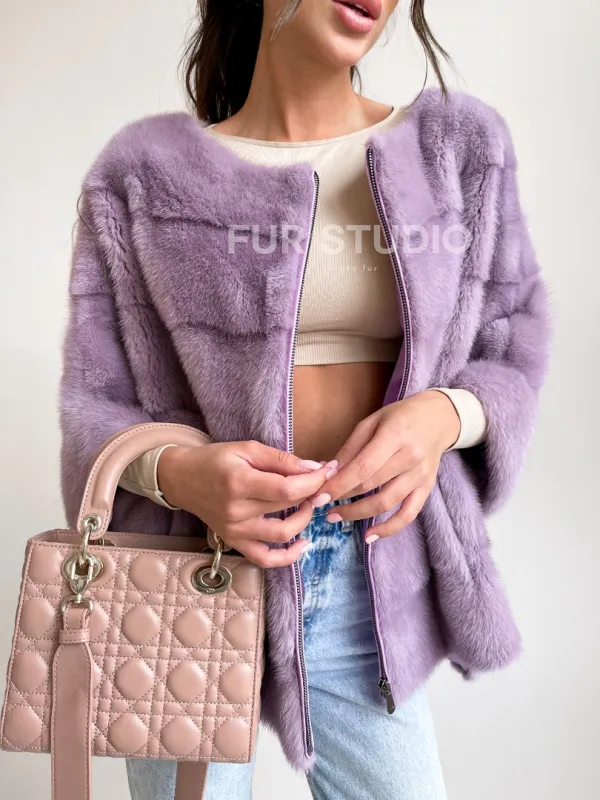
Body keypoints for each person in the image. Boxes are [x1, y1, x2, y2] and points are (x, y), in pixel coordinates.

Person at [59, 1, 551, 798]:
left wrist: (443, 416)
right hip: (187, 577)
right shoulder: (142, 176)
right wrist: (181, 474)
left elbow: (515, 345)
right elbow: (95, 402)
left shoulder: (457, 149)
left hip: (371, 575)